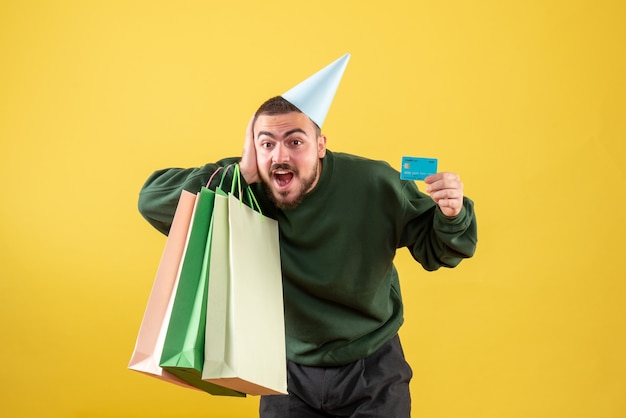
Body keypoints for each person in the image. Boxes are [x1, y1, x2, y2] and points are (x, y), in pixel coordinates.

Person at [138, 95, 477, 417]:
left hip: (371, 366)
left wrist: (452, 214)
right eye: (267, 143)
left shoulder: (376, 183)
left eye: (295, 141)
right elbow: (152, 200)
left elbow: (438, 251)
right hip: (285, 370)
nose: (280, 156)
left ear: (321, 146)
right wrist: (240, 172)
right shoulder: (244, 185)